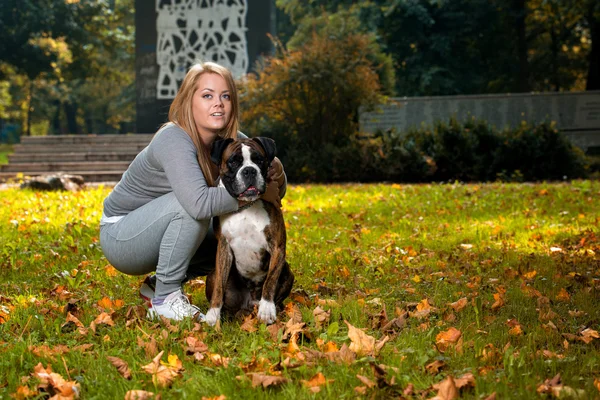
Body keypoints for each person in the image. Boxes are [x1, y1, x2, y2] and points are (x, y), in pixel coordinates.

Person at [99, 61, 287, 321]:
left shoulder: (231, 141)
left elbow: (270, 184)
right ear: (189, 101)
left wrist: (277, 172)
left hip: (160, 227)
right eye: (207, 95)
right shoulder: (173, 138)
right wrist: (255, 192)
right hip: (123, 235)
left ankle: (156, 285)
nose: (218, 103)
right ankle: (165, 298)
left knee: (233, 234)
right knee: (193, 207)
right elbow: (198, 204)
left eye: (225, 96)